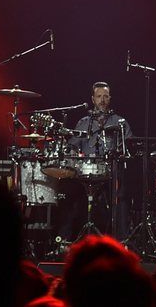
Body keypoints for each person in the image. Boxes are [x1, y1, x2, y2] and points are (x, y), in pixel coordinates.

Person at [63, 82, 133, 238]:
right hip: (86, 172)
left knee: (121, 197)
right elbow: (72, 147)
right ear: (93, 99)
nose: (102, 100)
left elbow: (129, 147)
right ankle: (65, 240)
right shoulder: (83, 123)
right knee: (71, 195)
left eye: (105, 96)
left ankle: (122, 240)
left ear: (110, 99)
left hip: (111, 172)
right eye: (99, 96)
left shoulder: (120, 122)